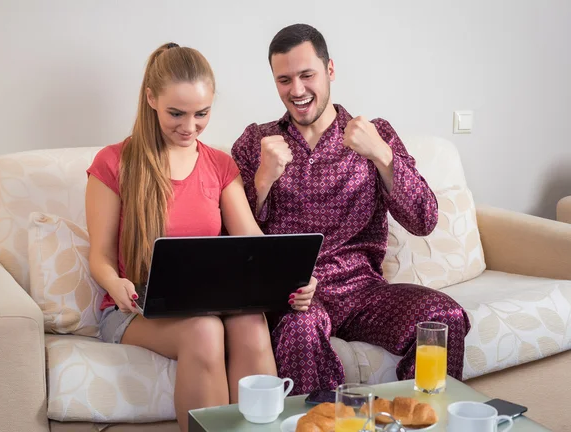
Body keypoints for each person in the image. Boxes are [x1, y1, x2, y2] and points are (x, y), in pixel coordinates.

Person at [85, 42, 316, 430]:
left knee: (251, 322)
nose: (189, 127)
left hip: (210, 301)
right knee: (205, 330)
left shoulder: (219, 165)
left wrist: (295, 279)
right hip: (135, 309)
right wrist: (116, 282)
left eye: (201, 114)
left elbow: (255, 243)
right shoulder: (113, 163)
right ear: (151, 99)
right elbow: (101, 256)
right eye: (176, 113)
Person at [231, 24, 471, 396]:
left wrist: (382, 155)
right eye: (284, 79)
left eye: (307, 75)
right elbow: (231, 238)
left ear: (330, 70)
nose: (296, 90)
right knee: (300, 328)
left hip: (363, 289)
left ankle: (420, 418)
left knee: (445, 317)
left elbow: (424, 219)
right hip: (295, 295)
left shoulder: (376, 134)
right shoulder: (256, 141)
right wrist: (263, 180)